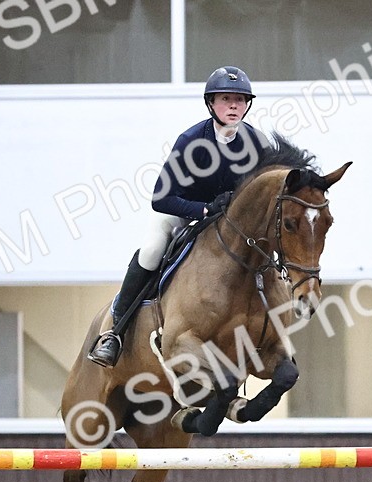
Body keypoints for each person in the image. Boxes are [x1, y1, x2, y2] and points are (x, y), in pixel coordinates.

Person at [88, 65, 270, 368]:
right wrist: (202, 209)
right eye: (226, 99)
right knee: (151, 251)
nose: (234, 106)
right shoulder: (191, 141)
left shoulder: (257, 143)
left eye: (240, 99)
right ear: (211, 103)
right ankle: (114, 331)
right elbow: (162, 198)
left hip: (231, 224)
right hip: (184, 213)